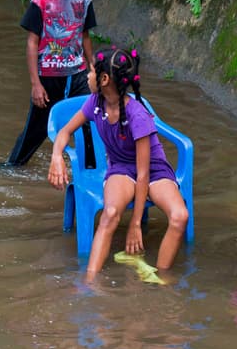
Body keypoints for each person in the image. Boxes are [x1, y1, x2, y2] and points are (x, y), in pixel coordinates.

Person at [49, 47, 189, 283]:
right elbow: (65, 131)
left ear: (104, 79)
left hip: (153, 170)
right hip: (122, 168)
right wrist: (56, 156)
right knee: (111, 213)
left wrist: (135, 224)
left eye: (90, 71)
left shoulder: (137, 115)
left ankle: (160, 279)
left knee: (179, 216)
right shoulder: (95, 103)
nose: (87, 76)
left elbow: (143, 174)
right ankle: (89, 282)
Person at [2, 0, 96, 165]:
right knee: (36, 129)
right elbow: (32, 43)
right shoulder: (40, 2)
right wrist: (36, 84)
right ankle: (12, 167)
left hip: (78, 75)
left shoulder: (83, 1)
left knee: (88, 122)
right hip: (48, 76)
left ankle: (91, 169)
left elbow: (84, 37)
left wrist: (93, 69)